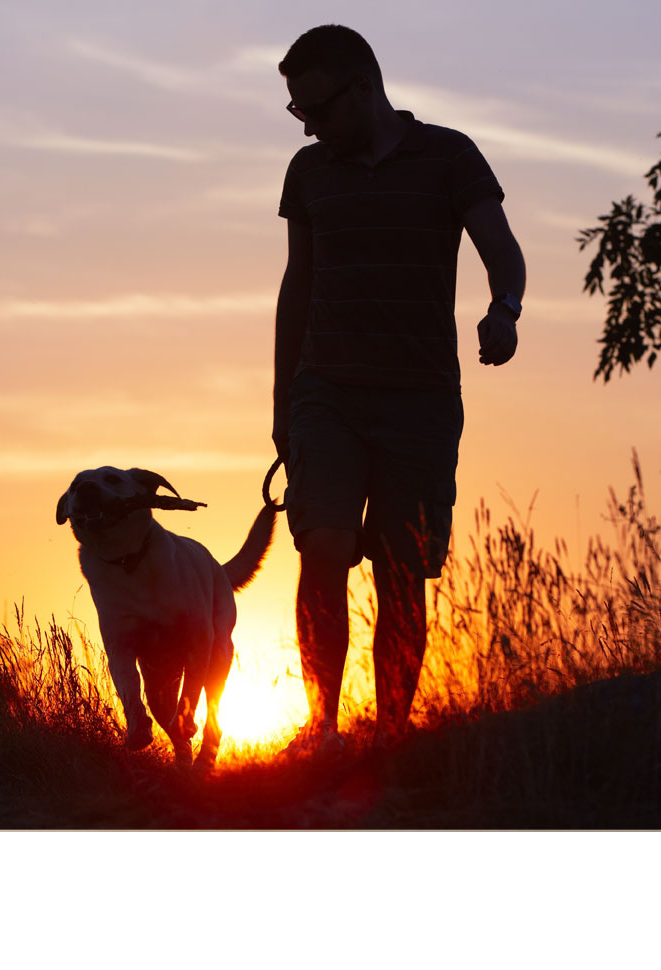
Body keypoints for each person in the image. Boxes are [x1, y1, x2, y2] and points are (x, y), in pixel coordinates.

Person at [273, 24, 526, 755]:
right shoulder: (309, 171)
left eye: (316, 108)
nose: (309, 125)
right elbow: (299, 285)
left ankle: (390, 738)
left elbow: (502, 251)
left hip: (419, 398)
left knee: (400, 567)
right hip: (324, 393)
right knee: (320, 546)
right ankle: (320, 729)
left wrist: (503, 311)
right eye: (298, 114)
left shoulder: (449, 155)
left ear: (362, 88)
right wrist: (282, 408)